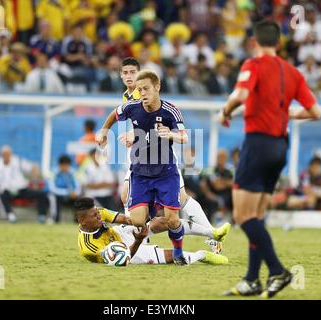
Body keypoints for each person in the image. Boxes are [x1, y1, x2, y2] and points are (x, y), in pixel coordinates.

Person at [220, 20, 321, 298]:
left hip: (258, 143)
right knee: (258, 215)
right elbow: (315, 111)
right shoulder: (293, 73)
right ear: (278, 42)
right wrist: (288, 115)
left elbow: (240, 94)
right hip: (280, 147)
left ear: (254, 42)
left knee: (242, 217)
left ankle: (277, 270)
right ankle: (252, 280)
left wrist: (225, 112)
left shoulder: (252, 65)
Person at [117, 57, 224, 255]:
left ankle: (211, 235)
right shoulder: (127, 97)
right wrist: (133, 135)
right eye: (125, 73)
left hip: (162, 156)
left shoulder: (147, 92)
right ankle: (139, 238)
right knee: (126, 195)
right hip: (140, 156)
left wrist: (137, 135)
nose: (129, 76)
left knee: (182, 199)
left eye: (133, 72)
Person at [96, 70, 190, 265]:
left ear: (157, 87)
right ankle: (155, 208)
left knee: (172, 220)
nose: (142, 93)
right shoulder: (132, 107)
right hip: (139, 174)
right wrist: (105, 131)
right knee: (138, 222)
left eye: (146, 89)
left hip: (165, 173)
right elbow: (115, 113)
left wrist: (169, 134)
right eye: (139, 90)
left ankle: (178, 251)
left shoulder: (170, 111)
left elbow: (184, 136)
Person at [75, 197, 229, 265]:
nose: (99, 216)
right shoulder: (89, 248)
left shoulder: (98, 213)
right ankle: (202, 255)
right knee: (171, 256)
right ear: (82, 221)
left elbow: (126, 219)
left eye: (97, 212)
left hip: (120, 234)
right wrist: (139, 239)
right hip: (125, 253)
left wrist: (140, 220)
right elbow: (123, 259)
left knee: (164, 221)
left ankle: (212, 233)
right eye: (94, 216)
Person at [0, 145, 49, 223]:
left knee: (41, 194)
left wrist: (34, 181)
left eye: (8, 154)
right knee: (2, 196)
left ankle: (42, 216)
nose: (6, 156)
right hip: (7, 191)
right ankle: (10, 216)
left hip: (21, 189)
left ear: (11, 154)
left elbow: (34, 167)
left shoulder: (17, 160)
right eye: (4, 154)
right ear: (1, 154)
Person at [46, 155, 80, 223]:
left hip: (71, 195)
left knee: (79, 199)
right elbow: (52, 189)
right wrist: (68, 193)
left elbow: (78, 185)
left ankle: (77, 220)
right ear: (60, 165)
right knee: (53, 197)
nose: (65, 168)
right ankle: (55, 218)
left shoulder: (73, 173)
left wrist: (75, 193)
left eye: (67, 166)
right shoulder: (53, 173)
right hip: (57, 195)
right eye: (64, 165)